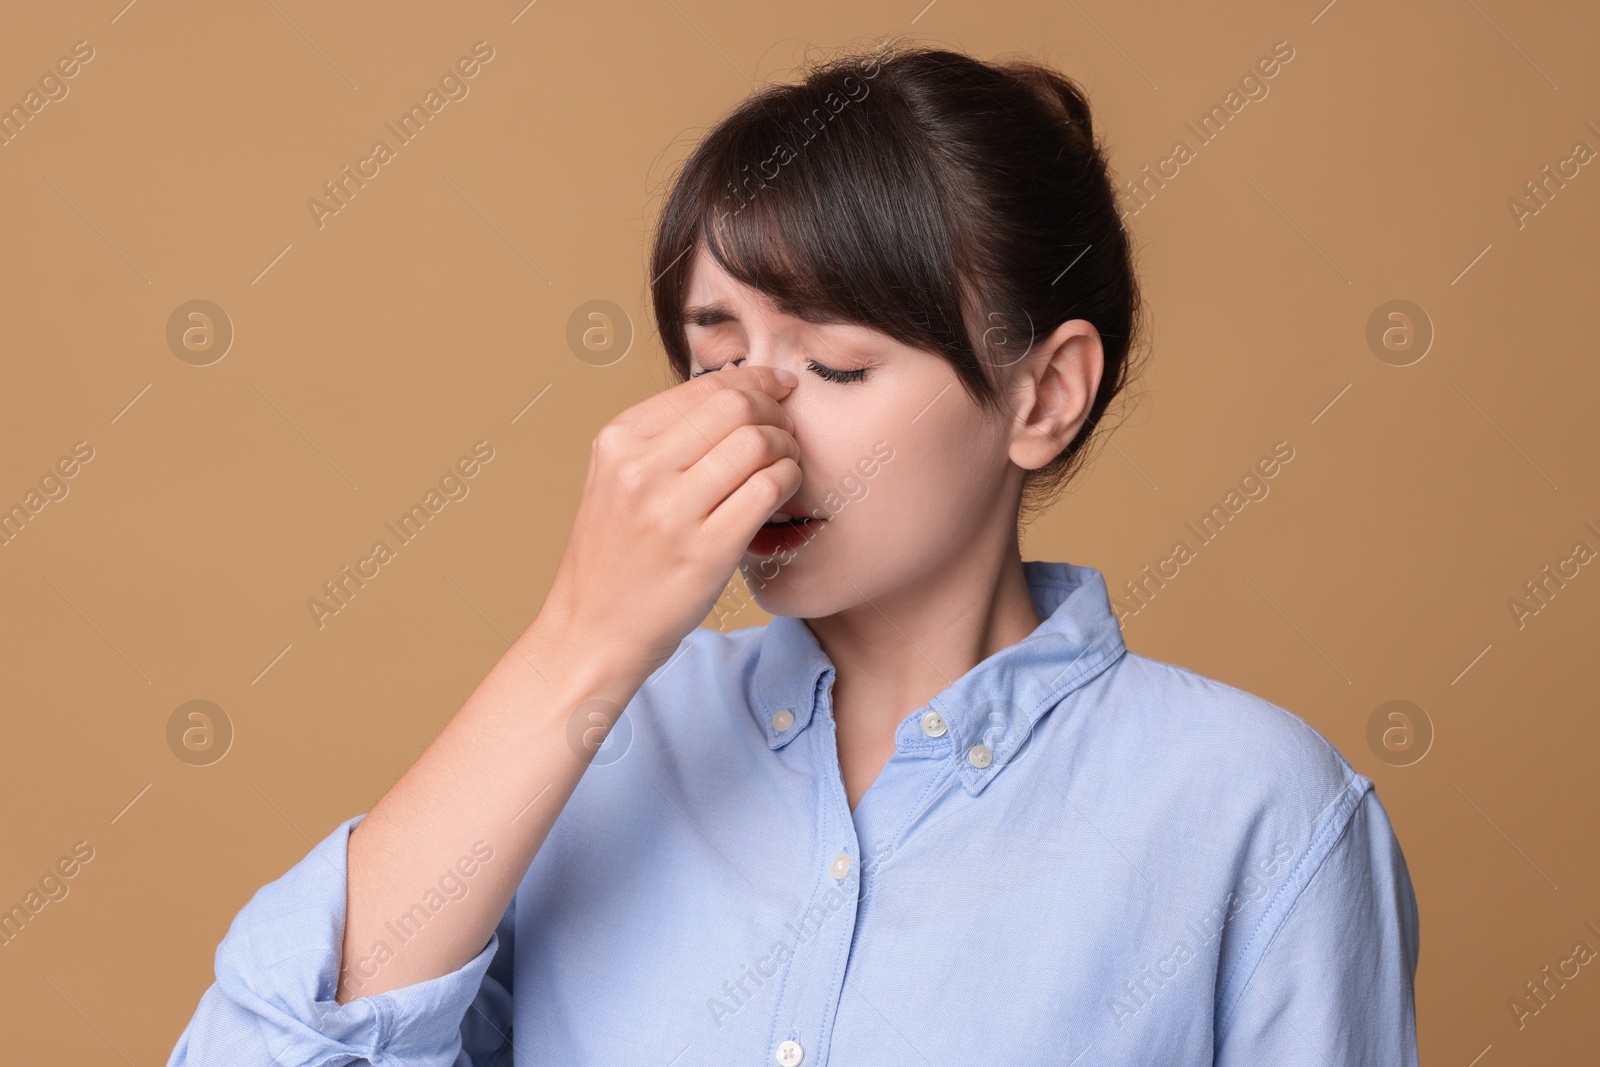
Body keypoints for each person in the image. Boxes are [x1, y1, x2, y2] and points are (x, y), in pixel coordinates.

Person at [167, 39, 1419, 1066]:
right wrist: (579, 643)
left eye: (833, 363)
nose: (746, 418)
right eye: (714, 356)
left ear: (1043, 395)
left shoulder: (1253, 812)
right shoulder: (598, 750)